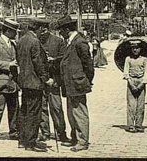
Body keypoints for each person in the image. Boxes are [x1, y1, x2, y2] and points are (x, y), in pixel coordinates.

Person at [57, 16, 94, 152]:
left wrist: (86, 80)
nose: (60, 33)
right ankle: (75, 138)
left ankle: (83, 140)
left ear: (67, 29)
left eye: (61, 30)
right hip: (70, 84)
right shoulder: (71, 41)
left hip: (77, 83)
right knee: (72, 112)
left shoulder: (79, 42)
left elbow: (88, 64)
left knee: (79, 112)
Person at [16, 21, 51, 152]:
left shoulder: (21, 40)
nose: (43, 32)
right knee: (34, 112)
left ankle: (22, 140)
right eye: (43, 29)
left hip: (24, 81)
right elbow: (38, 62)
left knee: (24, 111)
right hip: (34, 82)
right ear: (39, 28)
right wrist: (45, 78)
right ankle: (30, 142)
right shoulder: (35, 41)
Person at [36, 19, 69, 144]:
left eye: (43, 30)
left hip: (54, 80)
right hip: (40, 81)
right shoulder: (36, 41)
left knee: (56, 107)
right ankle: (45, 133)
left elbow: (64, 60)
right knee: (42, 107)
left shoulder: (58, 41)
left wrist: (53, 60)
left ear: (46, 29)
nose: (42, 33)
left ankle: (61, 133)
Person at [0, 19, 20, 143]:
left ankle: (14, 131)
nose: (16, 34)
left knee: (14, 109)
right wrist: (9, 64)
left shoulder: (13, 45)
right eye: (14, 31)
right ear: (8, 31)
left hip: (13, 82)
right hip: (2, 82)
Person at [123, 40, 147, 133]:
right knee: (131, 105)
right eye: (133, 48)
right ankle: (131, 125)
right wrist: (130, 83)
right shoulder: (128, 59)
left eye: (137, 48)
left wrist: (141, 85)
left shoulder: (144, 59)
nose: (135, 50)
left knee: (140, 105)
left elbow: (146, 73)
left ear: (140, 49)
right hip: (131, 81)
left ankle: (139, 124)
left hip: (141, 82)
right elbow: (126, 72)